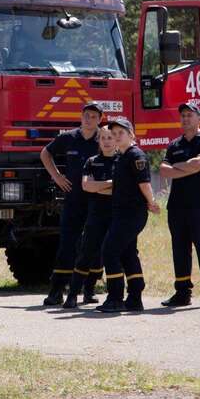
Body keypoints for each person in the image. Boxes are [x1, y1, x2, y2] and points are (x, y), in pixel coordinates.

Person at [158, 103, 200, 308]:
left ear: (198, 119)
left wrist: (178, 168)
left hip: (198, 205)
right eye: (183, 115)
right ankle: (182, 292)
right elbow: (163, 170)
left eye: (190, 115)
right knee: (180, 249)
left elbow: (199, 164)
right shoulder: (174, 144)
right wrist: (187, 168)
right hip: (176, 206)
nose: (185, 118)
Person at [40, 102, 102, 306]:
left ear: (99, 119)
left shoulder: (105, 138)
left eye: (94, 116)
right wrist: (57, 177)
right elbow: (45, 153)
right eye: (86, 115)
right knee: (67, 244)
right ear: (81, 116)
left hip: (97, 201)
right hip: (73, 201)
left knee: (94, 245)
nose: (89, 119)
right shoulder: (68, 137)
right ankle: (56, 290)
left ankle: (89, 289)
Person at [97, 118, 160, 313]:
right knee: (128, 253)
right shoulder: (121, 157)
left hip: (132, 214)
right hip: (121, 213)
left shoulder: (136, 155)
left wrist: (151, 202)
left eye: (120, 133)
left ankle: (115, 297)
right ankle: (134, 298)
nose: (116, 137)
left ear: (131, 134)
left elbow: (144, 183)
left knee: (109, 251)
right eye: (113, 133)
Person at [63, 125, 116, 308]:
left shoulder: (123, 161)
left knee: (112, 255)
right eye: (103, 138)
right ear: (99, 141)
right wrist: (111, 184)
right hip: (96, 215)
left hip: (117, 216)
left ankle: (104, 293)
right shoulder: (92, 162)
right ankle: (72, 295)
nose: (107, 142)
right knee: (85, 254)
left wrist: (99, 185)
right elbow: (86, 186)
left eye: (111, 138)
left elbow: (123, 189)